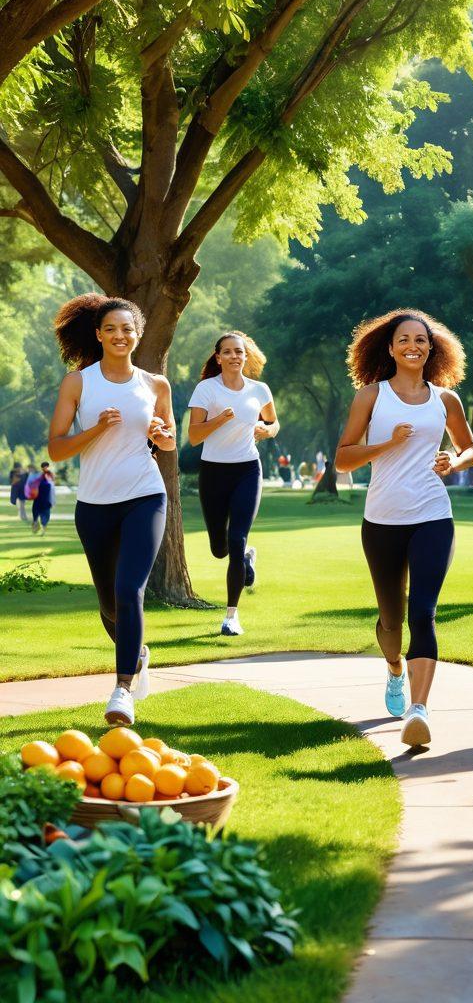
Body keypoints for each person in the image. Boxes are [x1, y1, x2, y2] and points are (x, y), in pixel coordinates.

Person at [335, 308, 473, 748]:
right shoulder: (371, 397)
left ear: (431, 348)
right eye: (404, 340)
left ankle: (419, 710)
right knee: (392, 619)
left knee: (424, 612)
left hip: (433, 515)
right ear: (390, 347)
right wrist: (387, 444)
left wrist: (452, 461)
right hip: (382, 520)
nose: (413, 346)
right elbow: (343, 459)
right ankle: (395, 668)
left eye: (421, 340)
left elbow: (470, 448)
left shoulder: (445, 399)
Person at [47, 293, 175, 726]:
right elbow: (56, 447)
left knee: (129, 589)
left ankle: (121, 691)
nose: (120, 335)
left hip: (145, 495)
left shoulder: (156, 384)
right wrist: (97, 429)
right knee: (110, 606)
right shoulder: (78, 383)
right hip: (95, 504)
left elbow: (170, 441)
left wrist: (161, 435)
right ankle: (136, 652)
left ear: (137, 336)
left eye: (127, 329)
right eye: (111, 329)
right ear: (99, 335)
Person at [188, 331, 279, 636]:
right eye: (227, 352)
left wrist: (266, 431)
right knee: (219, 548)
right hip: (214, 473)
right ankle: (246, 559)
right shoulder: (206, 390)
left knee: (236, 537)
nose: (234, 357)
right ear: (218, 357)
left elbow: (273, 423)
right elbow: (194, 436)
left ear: (245, 356)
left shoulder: (259, 389)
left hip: (247, 470)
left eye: (239, 352)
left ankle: (231, 617)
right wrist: (221, 419)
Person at [29, 462, 56, 534]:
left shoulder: (41, 476)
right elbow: (52, 490)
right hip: (43, 500)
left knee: (40, 513)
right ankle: (40, 527)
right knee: (43, 514)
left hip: (41, 500)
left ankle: (39, 526)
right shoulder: (47, 476)